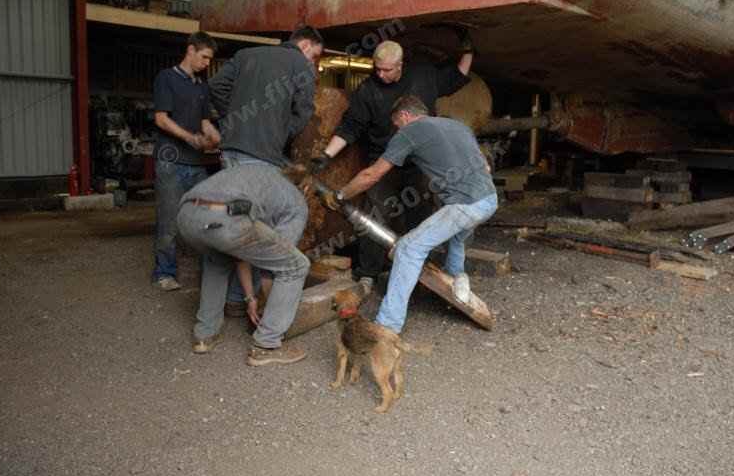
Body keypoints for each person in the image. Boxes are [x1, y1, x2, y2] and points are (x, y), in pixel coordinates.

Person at [175, 26, 324, 365]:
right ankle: (265, 339)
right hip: (264, 154)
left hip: (226, 159)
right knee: (269, 246)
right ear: (304, 45)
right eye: (314, 55)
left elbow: (216, 88)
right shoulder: (299, 65)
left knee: (221, 245)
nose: (312, 62)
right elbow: (303, 110)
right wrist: (279, 128)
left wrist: (238, 120)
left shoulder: (246, 55)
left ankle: (206, 332)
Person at [320, 95, 498, 334]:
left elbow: (371, 175)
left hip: (464, 207)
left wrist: (340, 195)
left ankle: (386, 326)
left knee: (408, 249)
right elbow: (485, 166)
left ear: (404, 116)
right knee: (457, 237)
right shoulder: (457, 125)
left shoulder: (409, 132)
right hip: (489, 199)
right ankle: (456, 281)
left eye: (396, 124)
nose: (396, 130)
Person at [310, 35, 474, 288]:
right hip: (384, 160)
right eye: (377, 69)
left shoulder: (423, 74)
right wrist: (326, 156)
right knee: (376, 215)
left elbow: (456, 77)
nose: (381, 74)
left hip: (419, 162)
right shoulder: (368, 90)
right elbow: (351, 127)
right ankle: (368, 273)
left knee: (420, 215)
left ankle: (419, 270)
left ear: (400, 65)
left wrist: (468, 49)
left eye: (387, 70)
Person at [151, 31, 220, 291]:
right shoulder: (166, 78)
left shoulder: (201, 85)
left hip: (197, 164)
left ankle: (207, 273)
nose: (206, 64)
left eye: (209, 60)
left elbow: (205, 122)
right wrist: (191, 138)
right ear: (190, 50)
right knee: (168, 221)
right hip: (171, 162)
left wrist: (218, 138)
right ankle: (164, 273)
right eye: (203, 57)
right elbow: (161, 119)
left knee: (204, 218)